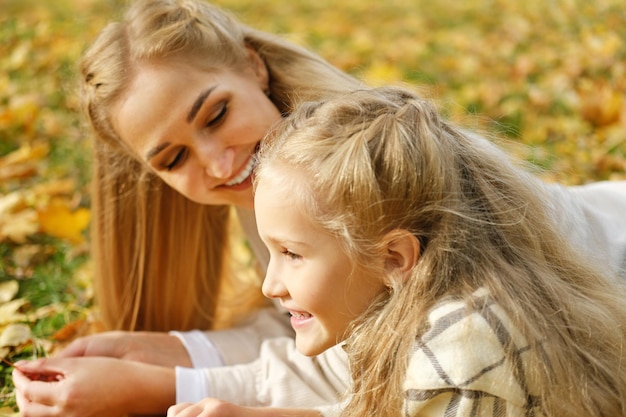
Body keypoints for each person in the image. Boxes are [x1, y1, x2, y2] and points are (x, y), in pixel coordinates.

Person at [11, 0, 626, 416]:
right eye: (172, 160)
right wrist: (179, 348)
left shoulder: (378, 194)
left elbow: (377, 372)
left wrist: (168, 387)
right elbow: (323, 321)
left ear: (253, 67)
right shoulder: (280, 176)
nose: (220, 164)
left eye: (217, 113)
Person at [169, 86, 626, 417]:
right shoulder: (397, 308)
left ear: (394, 257)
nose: (270, 285)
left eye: (291, 254)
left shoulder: (462, 349)